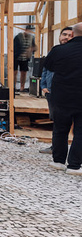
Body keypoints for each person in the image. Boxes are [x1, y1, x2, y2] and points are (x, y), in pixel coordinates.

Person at [43, 22, 82, 175]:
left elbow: (49, 66)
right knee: (80, 132)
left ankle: (58, 161)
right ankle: (74, 165)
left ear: (72, 34)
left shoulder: (58, 50)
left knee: (60, 129)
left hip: (61, 95)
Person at [39, 26, 73, 155]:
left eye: (70, 35)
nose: (66, 37)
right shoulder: (54, 51)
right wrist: (43, 85)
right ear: (60, 36)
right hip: (52, 92)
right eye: (64, 34)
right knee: (57, 121)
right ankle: (56, 147)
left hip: (69, 92)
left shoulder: (75, 53)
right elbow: (45, 69)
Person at [13, 26, 36, 92]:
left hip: (25, 57)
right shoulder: (18, 37)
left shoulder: (31, 38)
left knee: (24, 72)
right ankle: (13, 87)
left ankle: (22, 87)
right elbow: (14, 46)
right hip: (16, 57)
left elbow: (34, 47)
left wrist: (31, 50)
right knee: (14, 72)